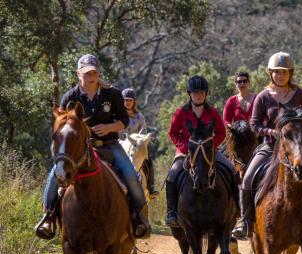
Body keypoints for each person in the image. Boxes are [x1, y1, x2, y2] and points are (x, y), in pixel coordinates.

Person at [35, 54, 149, 240]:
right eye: (87, 73)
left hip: (110, 145)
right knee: (55, 177)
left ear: (98, 73)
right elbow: (61, 126)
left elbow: (124, 120)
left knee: (130, 175)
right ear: (78, 73)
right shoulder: (69, 97)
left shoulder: (112, 94)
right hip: (79, 150)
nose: (91, 76)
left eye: (94, 72)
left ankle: (139, 218)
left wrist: (109, 127)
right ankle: (48, 217)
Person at [231, 51, 302, 242]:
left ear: (291, 73)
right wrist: (270, 132)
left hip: (297, 147)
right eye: (276, 72)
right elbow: (254, 124)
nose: (280, 75)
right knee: (248, 179)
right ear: (270, 73)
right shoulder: (263, 96)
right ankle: (246, 222)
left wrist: (300, 135)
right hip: (270, 147)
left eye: (284, 72)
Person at [165, 75, 240, 227]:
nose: (198, 95)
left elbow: (221, 133)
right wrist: (187, 147)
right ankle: (171, 212)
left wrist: (211, 146)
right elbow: (172, 133)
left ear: (205, 94)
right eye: (195, 92)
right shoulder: (180, 112)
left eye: (201, 92)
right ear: (189, 94)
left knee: (232, 170)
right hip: (185, 152)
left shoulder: (212, 112)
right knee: (172, 176)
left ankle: (238, 208)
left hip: (209, 152)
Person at [119, 88, 159, 198]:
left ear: (134, 102)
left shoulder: (139, 117)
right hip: (120, 145)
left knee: (148, 161)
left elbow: (144, 132)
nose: (127, 102)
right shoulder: (117, 115)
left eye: (130, 100)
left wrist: (141, 140)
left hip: (136, 146)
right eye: (125, 100)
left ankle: (151, 188)